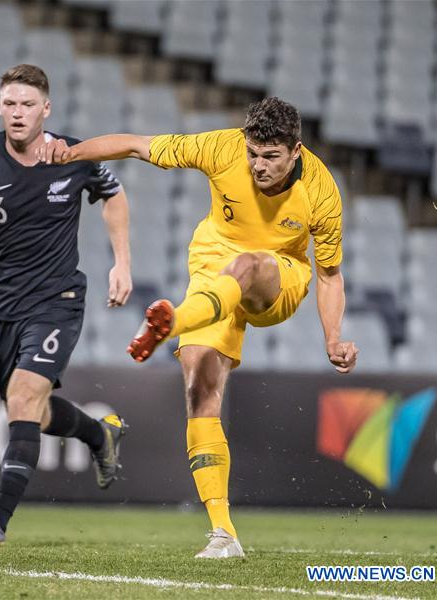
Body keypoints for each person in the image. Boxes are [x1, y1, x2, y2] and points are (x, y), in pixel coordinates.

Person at [38, 97, 359, 558]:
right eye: (253, 152)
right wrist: (71, 152)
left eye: (271, 157)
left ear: (296, 151)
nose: (258, 165)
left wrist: (332, 335)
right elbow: (136, 146)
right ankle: (223, 534)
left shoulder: (322, 192)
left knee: (249, 264)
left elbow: (329, 274)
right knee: (200, 393)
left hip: (279, 277)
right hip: (214, 263)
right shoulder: (220, 148)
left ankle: (173, 322)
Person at [0, 64, 133, 546]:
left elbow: (114, 194)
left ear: (46, 109)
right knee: (30, 410)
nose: (17, 113)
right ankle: (98, 435)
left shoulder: (72, 154)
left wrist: (121, 262)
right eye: (9, 104)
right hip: (5, 307)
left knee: (23, 397)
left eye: (27, 105)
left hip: (59, 299)